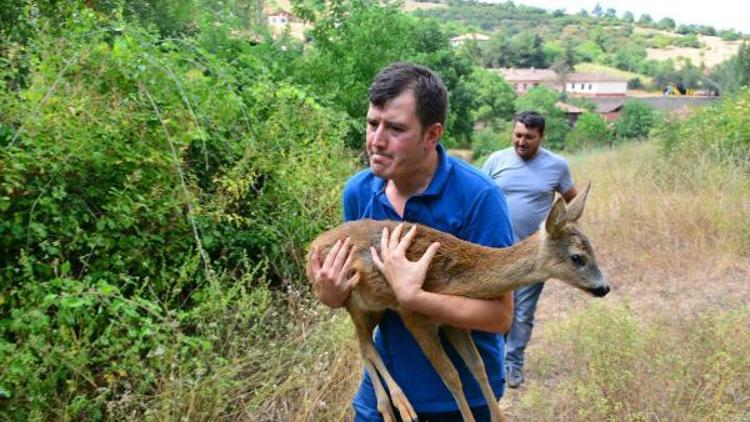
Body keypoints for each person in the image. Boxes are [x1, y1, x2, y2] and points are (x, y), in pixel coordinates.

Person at [310, 62, 515, 421]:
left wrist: (416, 299)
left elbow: (500, 316)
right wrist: (333, 295)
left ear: (432, 135)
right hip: (385, 397)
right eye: (373, 123)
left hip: (461, 399)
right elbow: (365, 296)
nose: (376, 140)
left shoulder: (479, 197)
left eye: (396, 128)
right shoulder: (359, 192)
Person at [482, 110, 578, 389]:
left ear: (541, 137)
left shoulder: (557, 166)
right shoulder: (495, 161)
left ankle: (513, 364)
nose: (522, 141)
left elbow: (571, 202)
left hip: (534, 256)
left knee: (522, 312)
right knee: (493, 309)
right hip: (495, 253)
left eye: (529, 137)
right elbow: (478, 197)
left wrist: (559, 235)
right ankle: (493, 361)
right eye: (518, 135)